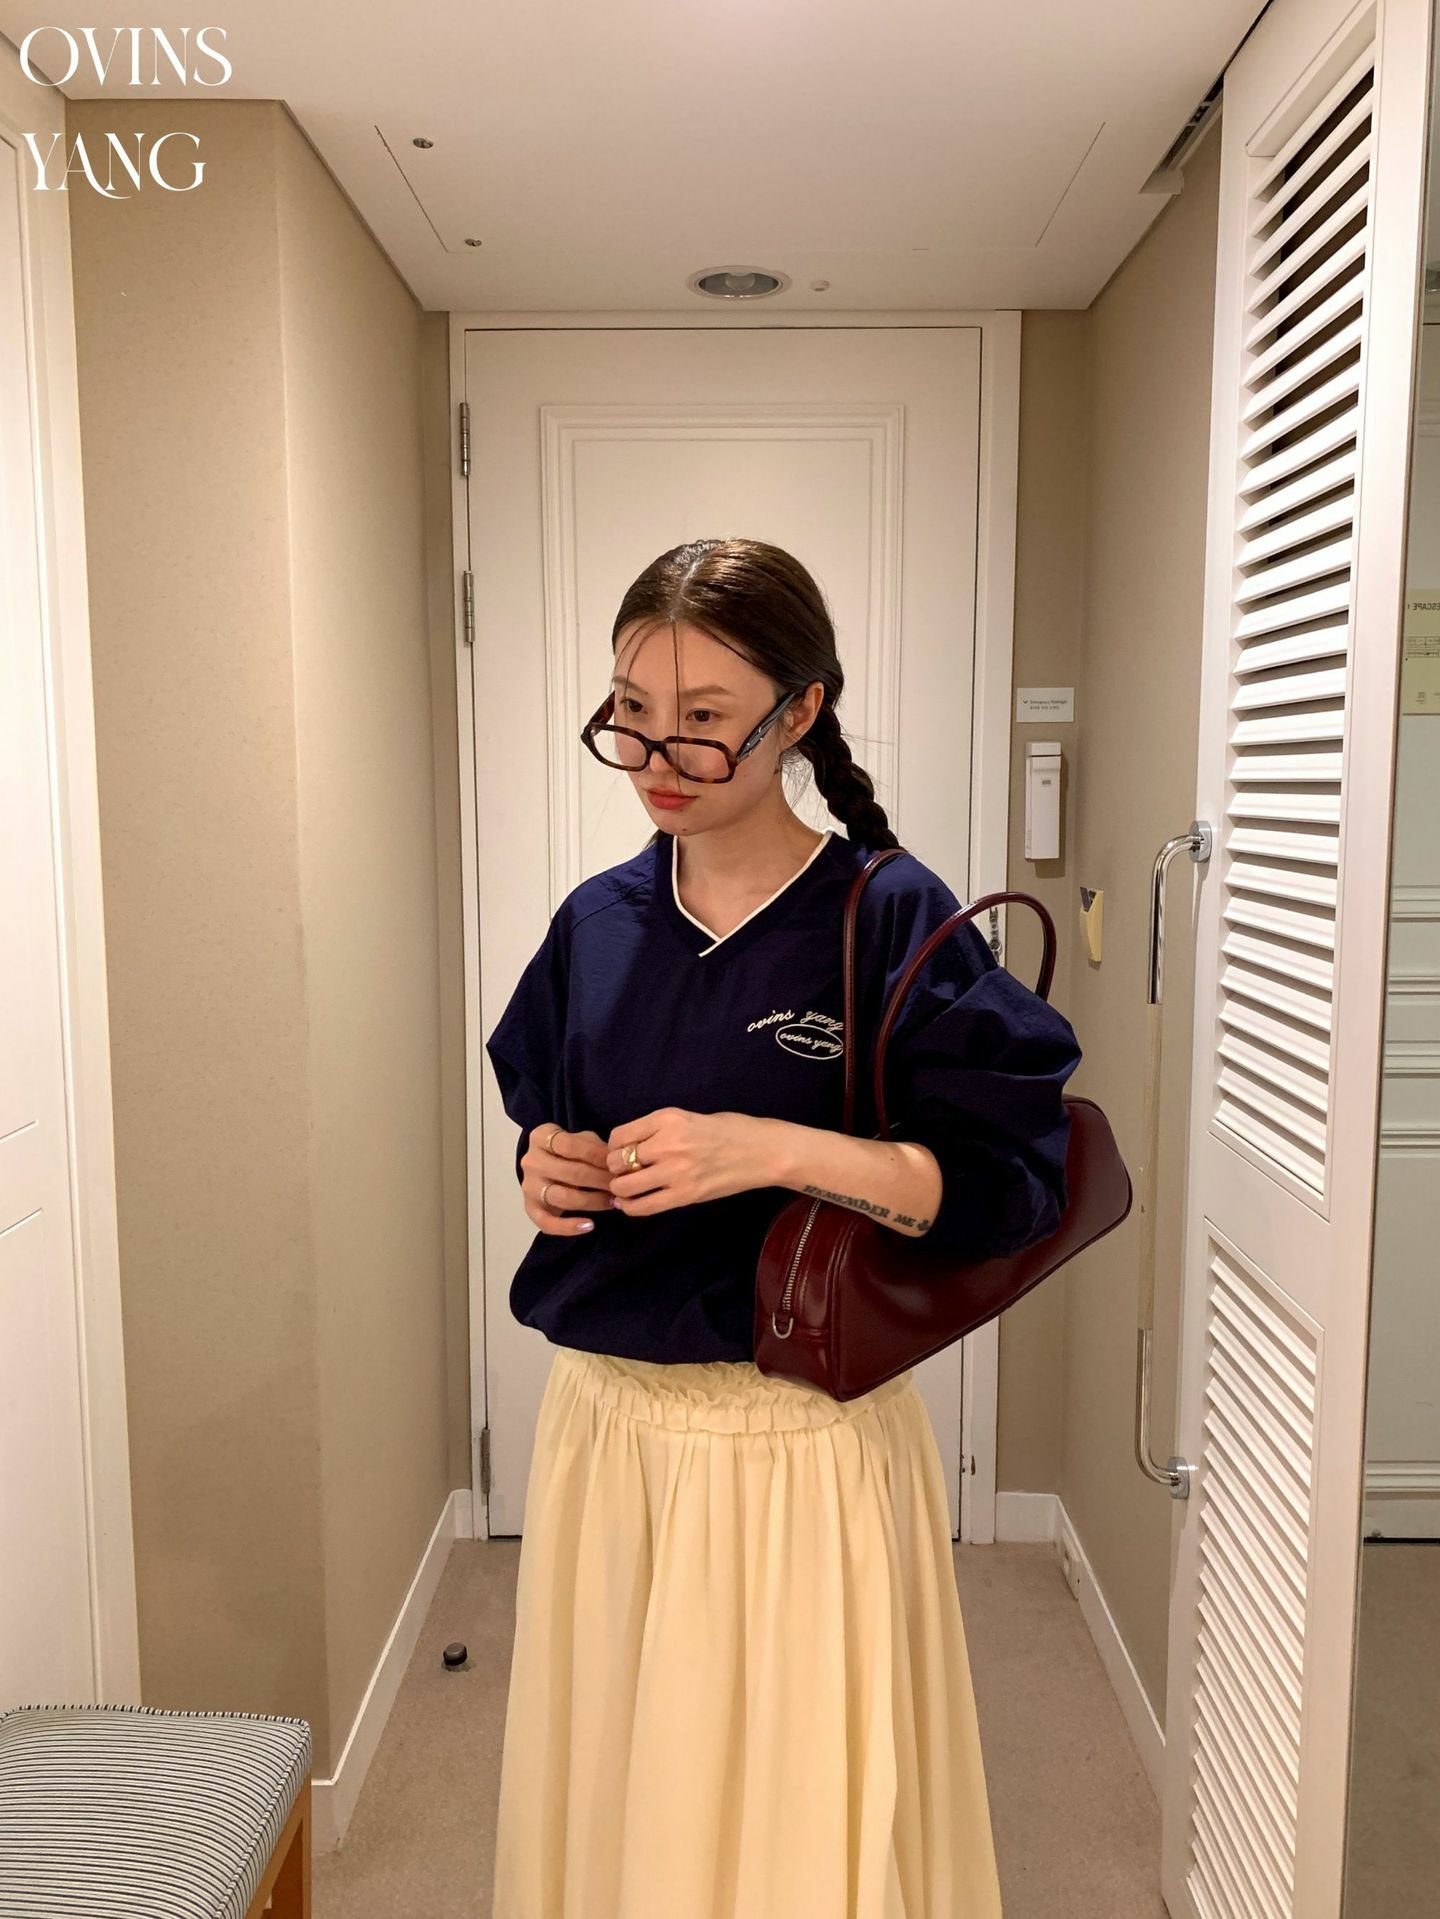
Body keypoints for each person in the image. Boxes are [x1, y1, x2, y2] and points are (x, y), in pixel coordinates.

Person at [483, 537, 1082, 1918]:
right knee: (622, 1796)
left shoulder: (889, 916)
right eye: (632, 712)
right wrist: (546, 1169)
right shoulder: (596, 925)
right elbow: (550, 1121)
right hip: (607, 1435)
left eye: (704, 720)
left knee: (796, 1823)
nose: (656, 756)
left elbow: (1002, 1186)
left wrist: (770, 1149)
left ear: (800, 711)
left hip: (802, 1446)